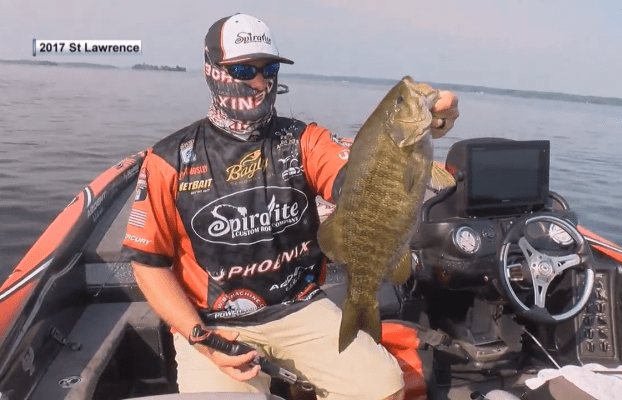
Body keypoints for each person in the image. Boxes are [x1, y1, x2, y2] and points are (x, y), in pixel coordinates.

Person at [121, 13, 459, 400]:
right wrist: (201, 338)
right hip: (213, 321)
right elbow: (148, 263)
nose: (259, 81)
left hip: (297, 306)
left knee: (384, 387)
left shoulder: (303, 140)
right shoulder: (169, 160)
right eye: (244, 69)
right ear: (211, 70)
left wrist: (423, 131)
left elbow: (358, 175)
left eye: (269, 69)